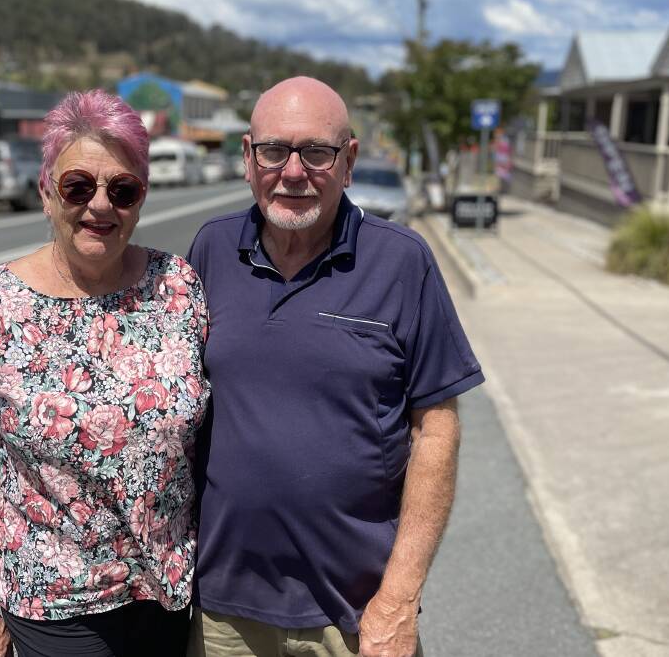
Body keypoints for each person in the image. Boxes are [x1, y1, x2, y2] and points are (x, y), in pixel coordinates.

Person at [186, 77, 485, 657]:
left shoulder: (401, 261)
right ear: (248, 157)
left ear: (348, 161)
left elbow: (436, 429)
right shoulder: (211, 251)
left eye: (316, 152)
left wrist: (399, 598)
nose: (292, 172)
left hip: (356, 615)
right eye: (274, 150)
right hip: (224, 612)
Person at [0, 89, 210, 657]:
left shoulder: (178, 289)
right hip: (56, 608)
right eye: (79, 187)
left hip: (168, 595)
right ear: (47, 193)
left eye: (123, 190)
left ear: (141, 200)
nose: (101, 206)